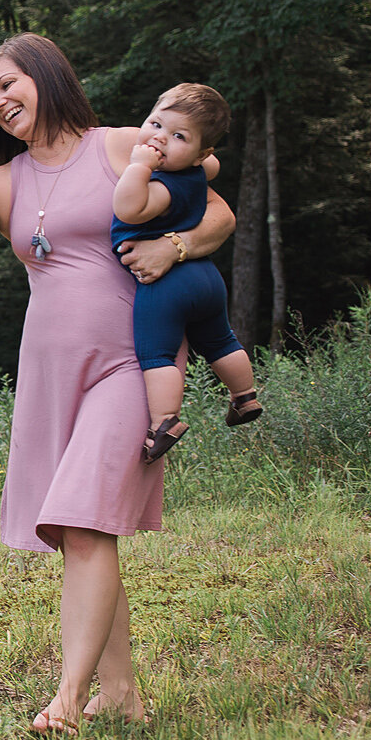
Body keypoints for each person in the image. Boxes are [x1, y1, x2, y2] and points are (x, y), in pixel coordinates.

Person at [0, 35, 235, 735]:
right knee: (83, 531)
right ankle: (118, 691)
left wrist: (172, 246)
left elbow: (217, 211)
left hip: (132, 360)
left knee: (85, 520)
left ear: (48, 76)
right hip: (54, 373)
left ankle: (67, 697)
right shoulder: (2, 184)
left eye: (9, 83)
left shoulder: (122, 146)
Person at [110, 82, 263, 461]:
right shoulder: (198, 171)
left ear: (198, 153)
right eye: (155, 124)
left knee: (156, 354)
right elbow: (212, 163)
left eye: (177, 136)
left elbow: (129, 209)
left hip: (166, 283)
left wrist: (138, 167)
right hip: (205, 276)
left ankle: (164, 422)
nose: (160, 139)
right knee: (220, 340)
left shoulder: (162, 185)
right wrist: (182, 147)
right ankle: (244, 396)